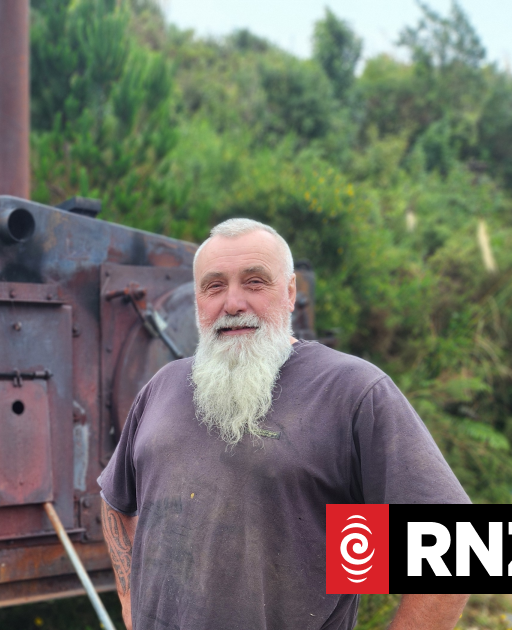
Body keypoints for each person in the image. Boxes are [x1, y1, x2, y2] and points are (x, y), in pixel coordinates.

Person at [98, 218, 471, 629]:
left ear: (290, 292)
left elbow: (456, 550)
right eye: (214, 286)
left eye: (254, 282)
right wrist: (129, 599)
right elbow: (115, 499)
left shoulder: (352, 390)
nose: (233, 302)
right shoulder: (163, 385)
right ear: (198, 299)